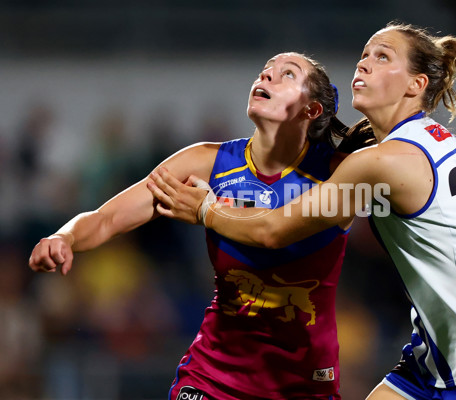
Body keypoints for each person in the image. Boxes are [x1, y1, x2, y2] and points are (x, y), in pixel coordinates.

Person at [156, 23, 456, 399]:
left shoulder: (379, 164)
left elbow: (272, 232)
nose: (365, 63)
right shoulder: (451, 146)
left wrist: (206, 209)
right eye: (365, 55)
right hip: (433, 360)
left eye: (383, 57)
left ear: (415, 84)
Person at [29, 52, 362, 400]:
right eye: (264, 72)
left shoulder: (342, 174)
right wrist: (63, 236)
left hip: (303, 382)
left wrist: (208, 210)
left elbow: (272, 232)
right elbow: (107, 217)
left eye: (287, 75)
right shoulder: (207, 162)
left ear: (311, 110)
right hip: (215, 374)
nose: (266, 78)